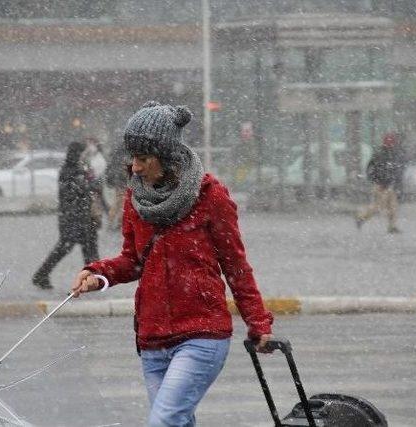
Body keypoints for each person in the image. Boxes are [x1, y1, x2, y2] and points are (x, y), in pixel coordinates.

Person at [70, 101, 274, 427]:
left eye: (143, 158)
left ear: (166, 157)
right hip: (152, 339)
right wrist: (99, 274)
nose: (135, 167)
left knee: (163, 421)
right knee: (177, 422)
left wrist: (258, 323)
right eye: (132, 158)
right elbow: (134, 261)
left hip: (202, 335)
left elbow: (236, 266)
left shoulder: (210, 196)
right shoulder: (136, 199)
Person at [32, 140, 101, 290]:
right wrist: (92, 184)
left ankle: (95, 279)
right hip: (73, 217)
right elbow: (77, 190)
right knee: (69, 247)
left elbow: (86, 189)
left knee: (88, 247)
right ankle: (41, 275)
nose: (86, 155)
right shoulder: (70, 170)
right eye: (84, 152)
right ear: (78, 153)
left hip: (81, 215)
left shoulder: (79, 168)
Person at [356, 132, 407, 233]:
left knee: (392, 207)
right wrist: (380, 181)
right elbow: (375, 169)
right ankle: (361, 217)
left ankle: (391, 226)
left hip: (386, 185)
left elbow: (371, 168)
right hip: (383, 185)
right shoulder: (385, 155)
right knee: (379, 206)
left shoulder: (385, 154)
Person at [104, 142, 129, 231]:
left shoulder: (117, 152)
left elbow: (111, 167)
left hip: (118, 180)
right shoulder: (127, 153)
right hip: (124, 180)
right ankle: (119, 222)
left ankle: (112, 222)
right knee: (123, 203)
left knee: (117, 202)